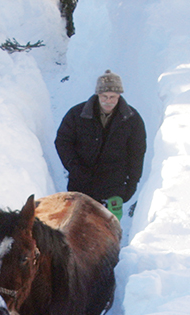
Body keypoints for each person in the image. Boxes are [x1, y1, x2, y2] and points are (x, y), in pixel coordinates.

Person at [55, 69, 147, 220]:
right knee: (77, 227)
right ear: (97, 94)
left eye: (113, 97)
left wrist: (132, 182)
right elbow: (63, 141)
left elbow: (137, 152)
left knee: (109, 229)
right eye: (104, 96)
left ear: (119, 96)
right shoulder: (77, 114)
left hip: (114, 185)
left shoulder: (132, 119)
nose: (108, 101)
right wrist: (73, 166)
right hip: (81, 182)